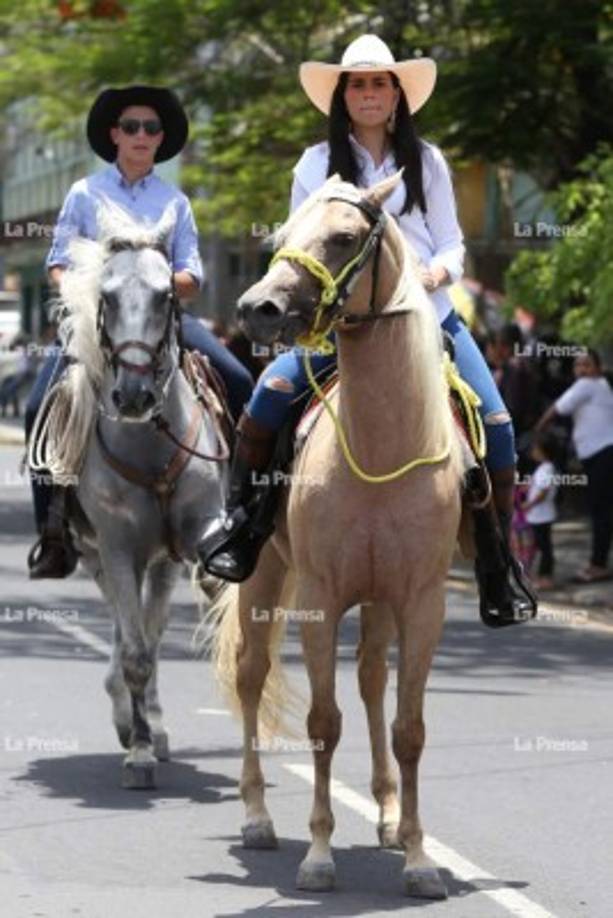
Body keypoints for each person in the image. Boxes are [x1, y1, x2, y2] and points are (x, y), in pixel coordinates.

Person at [198, 35, 536, 625]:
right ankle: (245, 530)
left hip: (428, 317)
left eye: (380, 82)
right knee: (266, 399)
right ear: (343, 96)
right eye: (359, 83)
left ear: (397, 93)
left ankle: (495, 563)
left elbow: (453, 240)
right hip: (339, 323)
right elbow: (295, 246)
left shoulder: (428, 161)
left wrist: (439, 271)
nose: (370, 93)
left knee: (500, 426)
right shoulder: (314, 165)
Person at [26, 84, 254, 579]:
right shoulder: (85, 193)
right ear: (115, 135)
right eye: (132, 126)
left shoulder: (176, 201)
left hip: (163, 318)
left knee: (240, 382)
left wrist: (152, 284)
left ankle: (239, 516)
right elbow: (58, 264)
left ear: (160, 139)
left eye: (151, 128)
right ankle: (54, 529)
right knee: (36, 404)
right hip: (97, 324)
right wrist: (91, 293)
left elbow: (192, 275)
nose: (142, 135)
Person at [536, 348, 613, 583]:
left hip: (602, 454)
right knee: (602, 511)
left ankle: (598, 565)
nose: (582, 370)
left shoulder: (588, 385)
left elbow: (557, 409)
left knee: (601, 512)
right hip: (600, 455)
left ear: (598, 368)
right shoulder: (601, 386)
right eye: (578, 365)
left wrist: (537, 431)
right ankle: (598, 562)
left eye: (587, 364)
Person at [522, 432, 559, 590]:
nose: (533, 451)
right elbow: (539, 486)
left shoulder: (547, 469)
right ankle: (536, 573)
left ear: (544, 451)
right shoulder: (545, 468)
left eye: (536, 448)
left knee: (545, 548)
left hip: (541, 516)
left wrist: (528, 504)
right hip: (539, 516)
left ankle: (546, 577)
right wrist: (528, 487)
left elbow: (543, 492)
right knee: (538, 545)